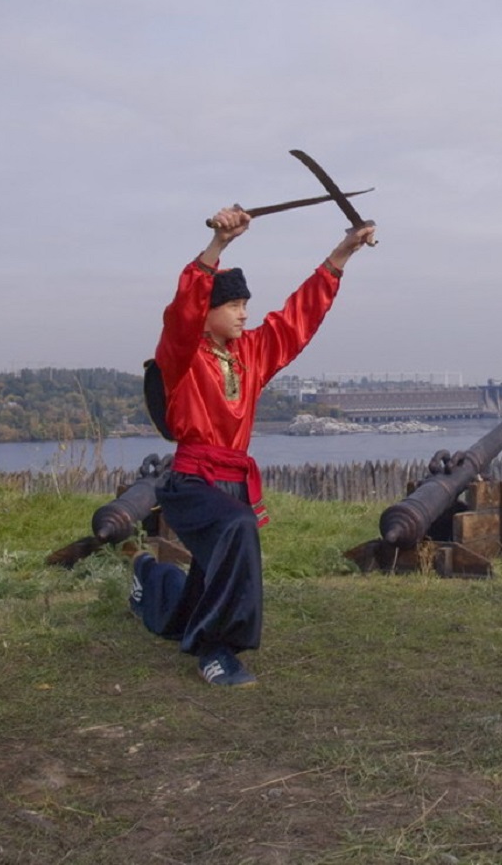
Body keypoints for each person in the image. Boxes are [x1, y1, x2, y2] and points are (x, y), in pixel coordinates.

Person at [129, 207, 376, 686]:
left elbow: (297, 319)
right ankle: (216, 650)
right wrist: (219, 245)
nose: (245, 312)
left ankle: (149, 582)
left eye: (246, 303)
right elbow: (180, 312)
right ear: (207, 312)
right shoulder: (181, 357)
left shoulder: (251, 355)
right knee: (238, 527)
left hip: (233, 479)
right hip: (192, 481)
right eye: (234, 305)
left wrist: (343, 252)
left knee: (203, 582)